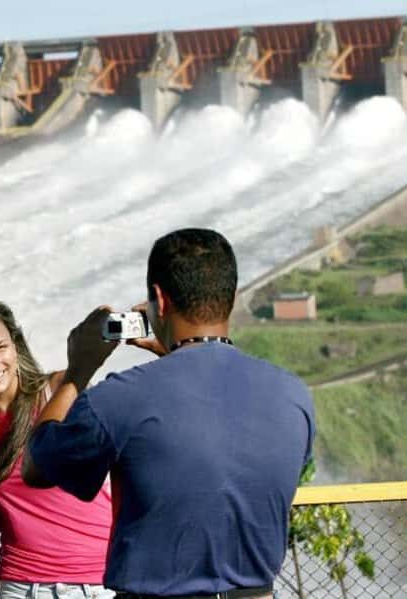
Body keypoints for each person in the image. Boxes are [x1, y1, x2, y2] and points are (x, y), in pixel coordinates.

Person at [23, 228, 315, 599]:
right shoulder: (294, 395)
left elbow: (37, 469)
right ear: (231, 297)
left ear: (159, 300)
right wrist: (176, 358)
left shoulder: (120, 397)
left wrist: (77, 371)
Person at [0, 297, 114, 599]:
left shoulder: (60, 389)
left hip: (96, 582)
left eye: (0, 347)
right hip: (20, 586)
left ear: (15, 345)